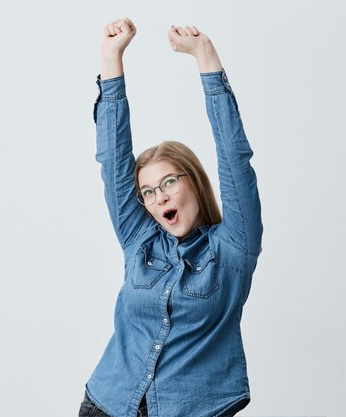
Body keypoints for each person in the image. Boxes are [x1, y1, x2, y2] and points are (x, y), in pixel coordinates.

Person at [78, 17, 263, 417]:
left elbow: (235, 160)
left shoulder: (233, 249)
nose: (157, 196)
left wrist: (206, 59)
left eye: (168, 183)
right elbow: (112, 159)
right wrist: (112, 57)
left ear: (193, 182)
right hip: (107, 403)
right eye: (147, 191)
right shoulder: (138, 239)